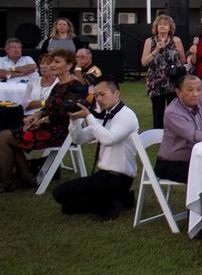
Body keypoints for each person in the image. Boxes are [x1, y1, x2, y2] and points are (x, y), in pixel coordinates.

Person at [0, 49, 88, 190]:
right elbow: (47, 108)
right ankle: (26, 177)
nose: (52, 65)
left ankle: (7, 182)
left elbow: (66, 112)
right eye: (51, 61)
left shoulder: (77, 86)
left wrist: (41, 121)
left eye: (56, 62)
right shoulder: (58, 86)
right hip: (48, 127)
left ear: (69, 66)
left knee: (4, 137)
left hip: (60, 132)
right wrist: (36, 116)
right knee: (9, 136)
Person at [54, 79, 139, 219]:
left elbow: (108, 139)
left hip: (119, 178)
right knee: (66, 205)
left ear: (116, 93)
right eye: (96, 95)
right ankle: (119, 199)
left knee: (61, 194)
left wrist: (89, 116)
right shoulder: (105, 115)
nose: (98, 99)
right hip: (104, 175)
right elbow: (79, 139)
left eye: (102, 94)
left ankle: (110, 203)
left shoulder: (126, 116)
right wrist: (74, 120)